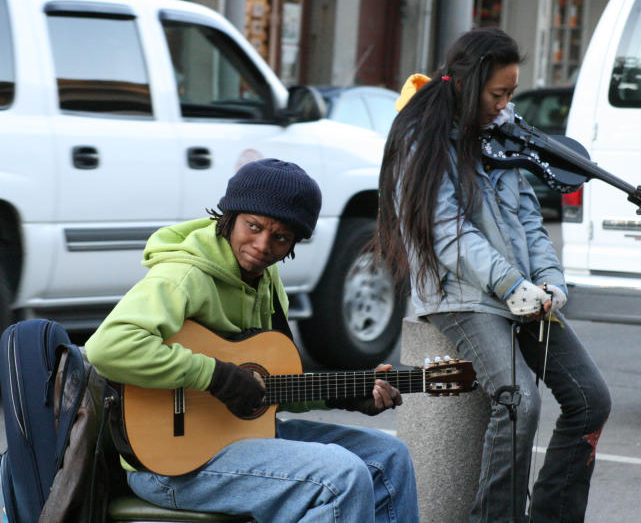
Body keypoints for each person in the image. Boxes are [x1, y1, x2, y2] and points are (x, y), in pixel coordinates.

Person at [86, 158, 419, 522]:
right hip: (171, 468)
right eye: (253, 226)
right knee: (340, 476)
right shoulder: (183, 275)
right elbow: (109, 345)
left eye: (280, 238)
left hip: (236, 440)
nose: (262, 245)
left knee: (390, 456)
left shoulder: (266, 281)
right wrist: (214, 376)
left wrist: (348, 396)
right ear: (229, 217)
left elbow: (266, 388)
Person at [375, 28, 611, 523]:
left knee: (591, 398)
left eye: (511, 94)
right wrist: (511, 285)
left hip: (521, 291)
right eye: (497, 94)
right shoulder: (421, 137)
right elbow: (445, 232)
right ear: (467, 81)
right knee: (518, 398)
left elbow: (529, 217)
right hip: (461, 295)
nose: (504, 106)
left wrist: (551, 279)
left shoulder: (501, 132)